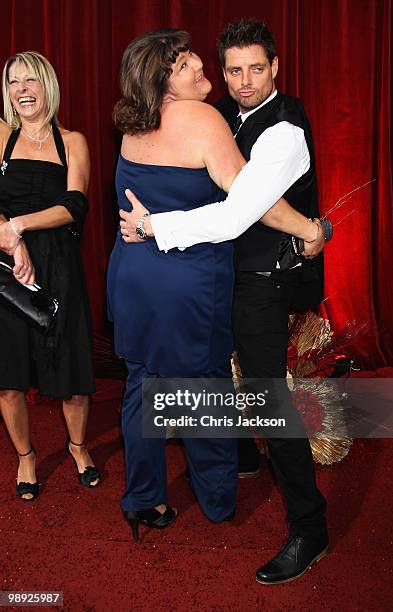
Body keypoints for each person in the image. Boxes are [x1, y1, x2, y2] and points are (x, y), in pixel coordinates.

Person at [120, 19, 328, 584]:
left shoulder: (282, 130)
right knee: (208, 375)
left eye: (255, 69)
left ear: (276, 67)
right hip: (214, 280)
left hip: (260, 280)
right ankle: (233, 463)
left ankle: (309, 528)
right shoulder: (223, 117)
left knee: (265, 394)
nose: (242, 81)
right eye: (232, 69)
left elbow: (243, 211)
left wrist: (154, 226)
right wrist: (311, 227)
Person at [0, 52, 100, 501]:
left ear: (47, 86)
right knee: (8, 375)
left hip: (59, 263)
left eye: (31, 81)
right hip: (5, 265)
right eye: (14, 81)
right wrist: (12, 243)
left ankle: (78, 448)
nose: (22, 89)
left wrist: (20, 226)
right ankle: (25, 456)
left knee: (72, 369)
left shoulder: (72, 141)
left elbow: (74, 205)